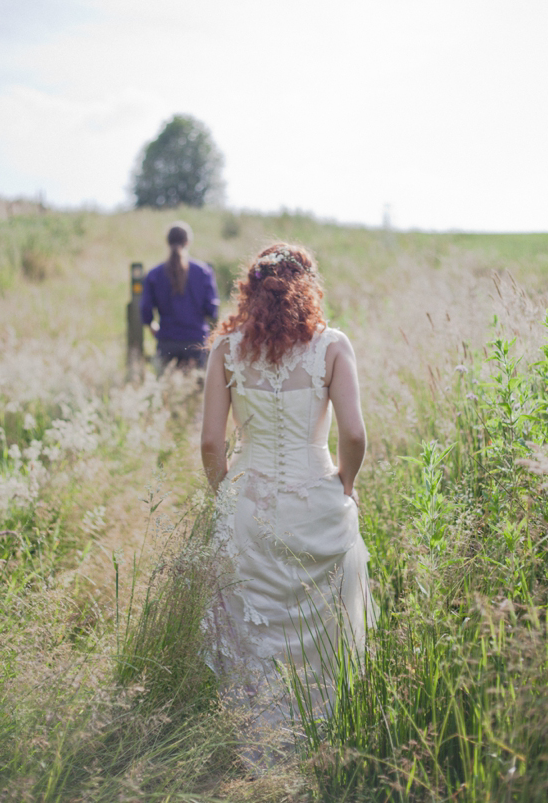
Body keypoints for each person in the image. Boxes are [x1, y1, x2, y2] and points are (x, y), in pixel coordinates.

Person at [201, 242, 375, 759]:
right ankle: (320, 734)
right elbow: (356, 435)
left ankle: (252, 735)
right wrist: (345, 482)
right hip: (316, 497)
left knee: (253, 624)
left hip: (249, 502)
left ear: (250, 291)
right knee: (318, 625)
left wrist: (226, 497)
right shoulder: (333, 346)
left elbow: (212, 444)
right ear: (308, 288)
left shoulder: (226, 350)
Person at [141, 221, 219, 370]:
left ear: (167, 242)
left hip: (166, 340)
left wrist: (153, 327)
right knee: (196, 389)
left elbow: (146, 310)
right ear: (188, 242)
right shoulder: (204, 272)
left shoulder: (154, 274)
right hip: (197, 340)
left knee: (166, 389)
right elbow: (212, 309)